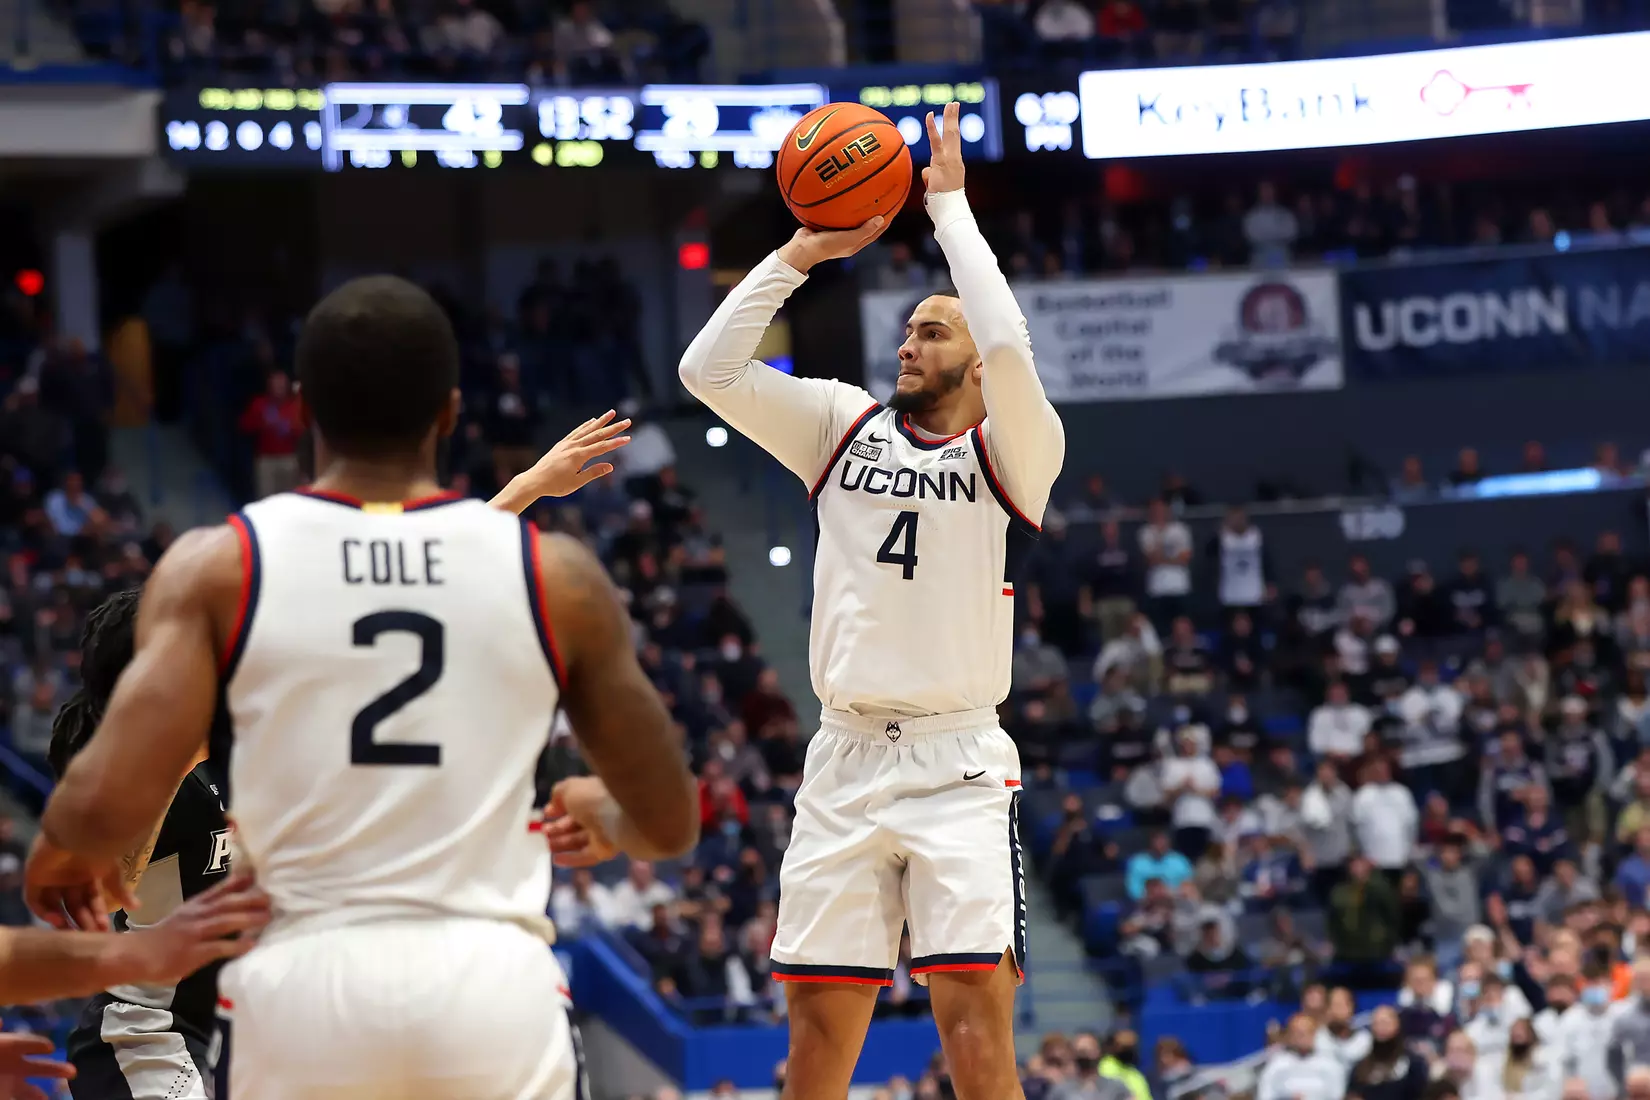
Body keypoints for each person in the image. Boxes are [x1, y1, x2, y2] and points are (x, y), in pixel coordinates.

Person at [25, 275, 700, 1100]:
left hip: (306, 991)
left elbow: (87, 820)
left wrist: (62, 853)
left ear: (301, 407)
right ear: (450, 413)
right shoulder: (552, 578)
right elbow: (669, 822)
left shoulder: (222, 569)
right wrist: (602, 812)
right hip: (489, 984)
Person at [677, 102, 1065, 1100]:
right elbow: (705, 369)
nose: (908, 343)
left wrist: (951, 213)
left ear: (976, 365)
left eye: (932, 332)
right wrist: (800, 250)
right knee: (814, 1042)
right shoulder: (842, 423)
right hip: (843, 752)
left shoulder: (1013, 450)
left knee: (976, 1034)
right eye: (906, 329)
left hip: (958, 761)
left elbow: (1014, 349)